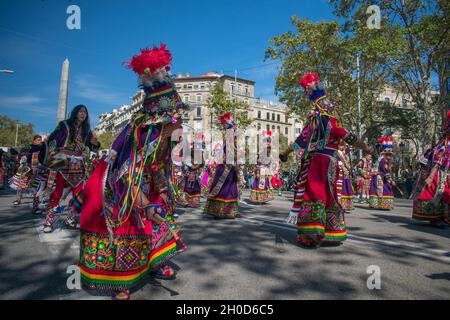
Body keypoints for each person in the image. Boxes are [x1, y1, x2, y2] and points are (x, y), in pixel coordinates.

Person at [78, 44, 187, 299]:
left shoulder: (166, 136)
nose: (180, 123)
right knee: (127, 225)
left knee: (161, 214)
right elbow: (125, 177)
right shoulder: (139, 136)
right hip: (122, 190)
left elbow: (159, 166)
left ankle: (155, 262)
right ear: (160, 119)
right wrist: (146, 205)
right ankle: (119, 280)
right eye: (175, 119)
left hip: (146, 185)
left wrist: (162, 192)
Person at [280, 72, 370, 248]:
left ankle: (312, 232)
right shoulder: (333, 126)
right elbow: (352, 138)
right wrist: (366, 147)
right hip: (328, 162)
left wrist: (284, 153)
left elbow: (297, 143)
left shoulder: (312, 127)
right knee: (328, 195)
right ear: (328, 109)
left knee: (315, 194)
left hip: (314, 162)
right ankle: (328, 231)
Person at [42, 105, 101, 233]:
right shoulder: (64, 125)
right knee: (57, 192)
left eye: (85, 112)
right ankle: (48, 221)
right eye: (80, 111)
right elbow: (52, 139)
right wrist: (53, 153)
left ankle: (70, 218)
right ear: (75, 113)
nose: (83, 114)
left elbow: (92, 147)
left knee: (78, 194)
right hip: (62, 161)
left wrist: (95, 143)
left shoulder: (87, 130)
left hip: (78, 164)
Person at [412, 112, 450, 228]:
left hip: (445, 174)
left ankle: (441, 217)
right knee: (439, 194)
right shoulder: (444, 145)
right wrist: (431, 176)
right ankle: (436, 217)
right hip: (440, 175)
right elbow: (438, 161)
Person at [204, 112, 240, 219]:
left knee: (228, 188)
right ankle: (220, 210)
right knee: (223, 187)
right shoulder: (229, 135)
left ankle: (226, 210)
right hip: (225, 165)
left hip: (228, 165)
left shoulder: (230, 135)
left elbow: (233, 151)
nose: (222, 126)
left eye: (224, 124)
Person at [368, 137, 396, 210]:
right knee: (385, 190)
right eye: (388, 154)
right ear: (385, 154)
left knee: (385, 190)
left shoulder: (385, 161)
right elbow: (386, 172)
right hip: (381, 178)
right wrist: (391, 181)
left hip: (382, 178)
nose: (389, 156)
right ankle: (383, 204)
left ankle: (382, 204)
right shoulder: (383, 161)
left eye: (390, 154)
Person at [249, 130, 275, 204]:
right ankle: (258, 198)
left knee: (264, 185)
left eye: (268, 142)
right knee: (259, 184)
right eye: (265, 141)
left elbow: (270, 160)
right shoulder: (260, 152)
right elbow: (257, 163)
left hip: (265, 170)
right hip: (260, 170)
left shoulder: (268, 152)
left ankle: (262, 198)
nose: (267, 144)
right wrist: (256, 171)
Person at [337, 142, 354, 212]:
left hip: (346, 174)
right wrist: (343, 167)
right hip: (340, 174)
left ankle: (346, 205)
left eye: (343, 145)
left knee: (347, 189)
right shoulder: (337, 153)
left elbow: (348, 162)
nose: (342, 147)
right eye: (340, 145)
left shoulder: (345, 153)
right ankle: (340, 205)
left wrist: (348, 167)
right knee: (340, 190)